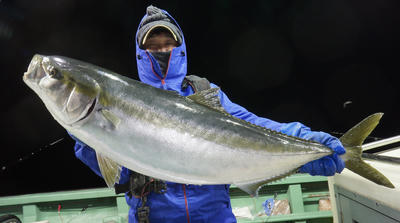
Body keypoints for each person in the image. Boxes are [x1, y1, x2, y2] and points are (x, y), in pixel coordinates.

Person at [70, 5, 345, 223]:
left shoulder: (203, 91)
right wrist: (88, 136)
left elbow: (252, 127)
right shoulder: (126, 100)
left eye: (168, 43)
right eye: (152, 45)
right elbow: (118, 175)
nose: (162, 50)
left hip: (215, 217)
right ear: (141, 52)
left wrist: (305, 144)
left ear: (180, 48)